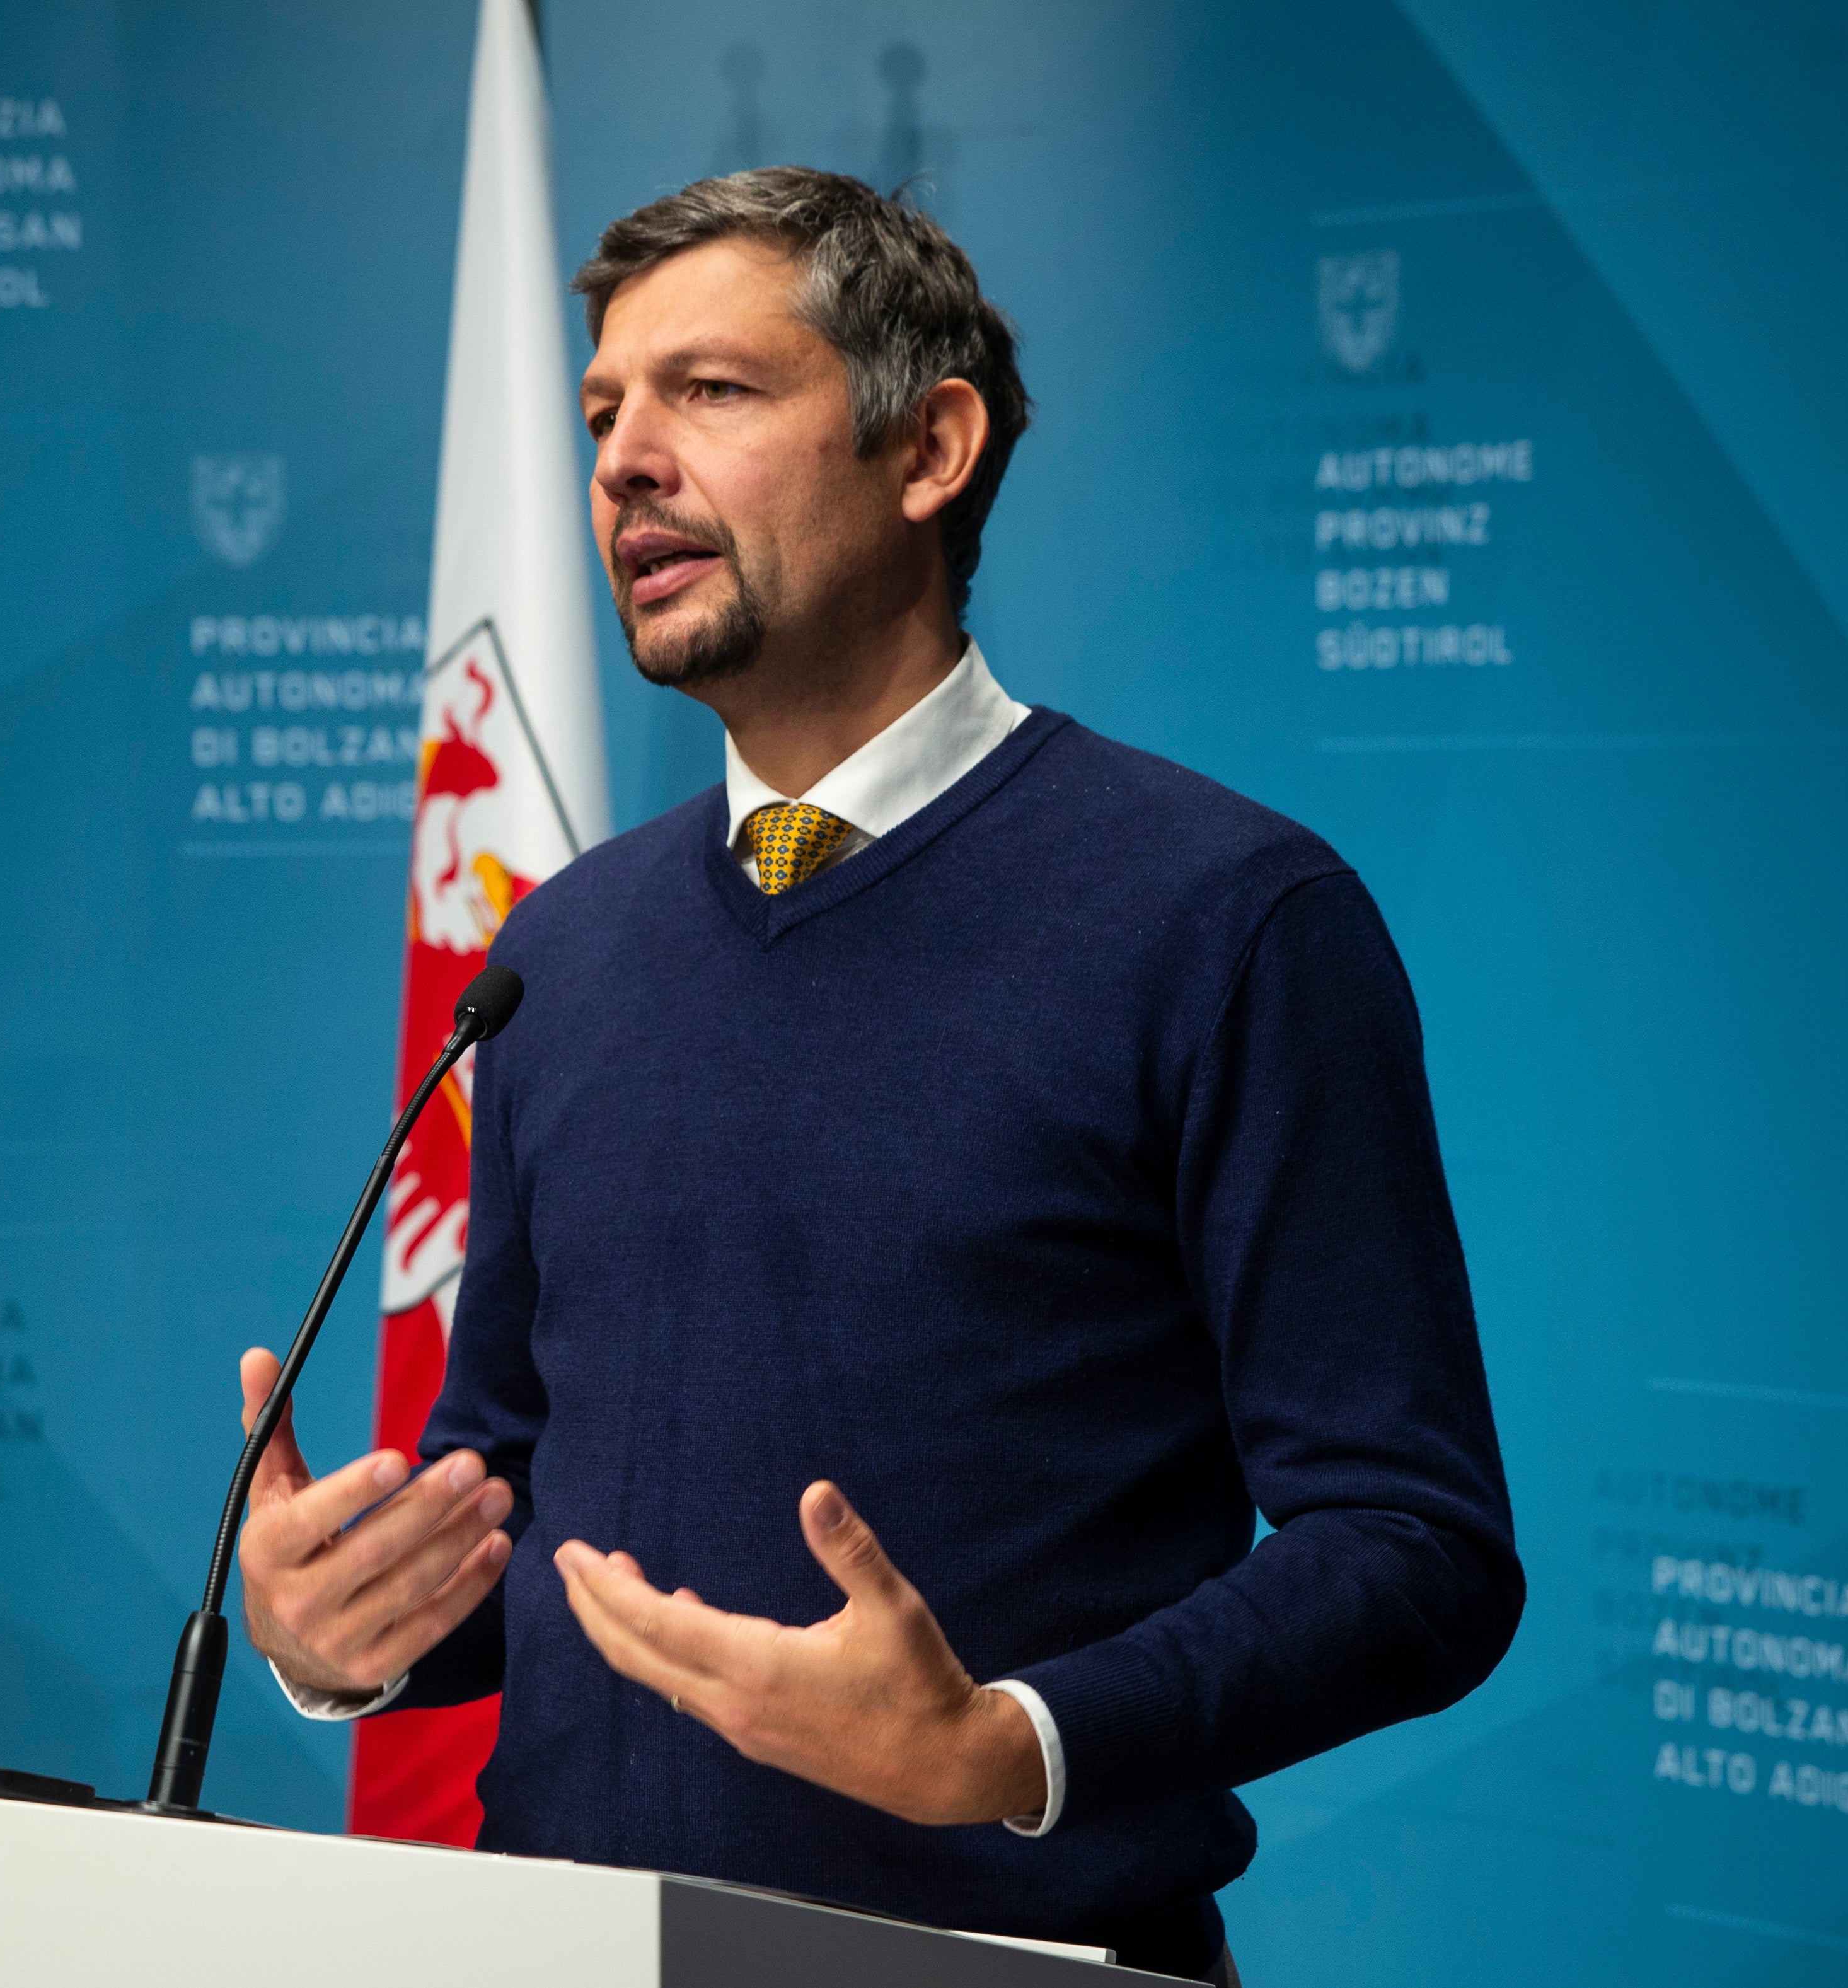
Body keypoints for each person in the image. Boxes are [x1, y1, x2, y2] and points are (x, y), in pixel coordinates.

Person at [231, 167, 1522, 1985]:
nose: (622, 463)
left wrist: (1011, 1742)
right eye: (603, 411)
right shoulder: (558, 957)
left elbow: (1417, 1544)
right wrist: (342, 1626)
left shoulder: (1226, 917)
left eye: (713, 393)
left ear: (930, 450)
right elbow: (510, 1505)